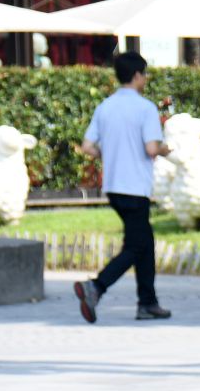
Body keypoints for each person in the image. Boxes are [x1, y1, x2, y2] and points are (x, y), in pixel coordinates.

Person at [73, 52, 172, 323]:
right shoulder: (145, 108)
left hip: (114, 185)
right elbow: (152, 147)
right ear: (138, 75)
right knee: (137, 246)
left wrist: (110, 153)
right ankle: (97, 286)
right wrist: (166, 148)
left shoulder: (105, 106)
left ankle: (148, 303)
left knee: (144, 242)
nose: (146, 79)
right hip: (136, 186)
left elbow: (87, 146)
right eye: (145, 74)